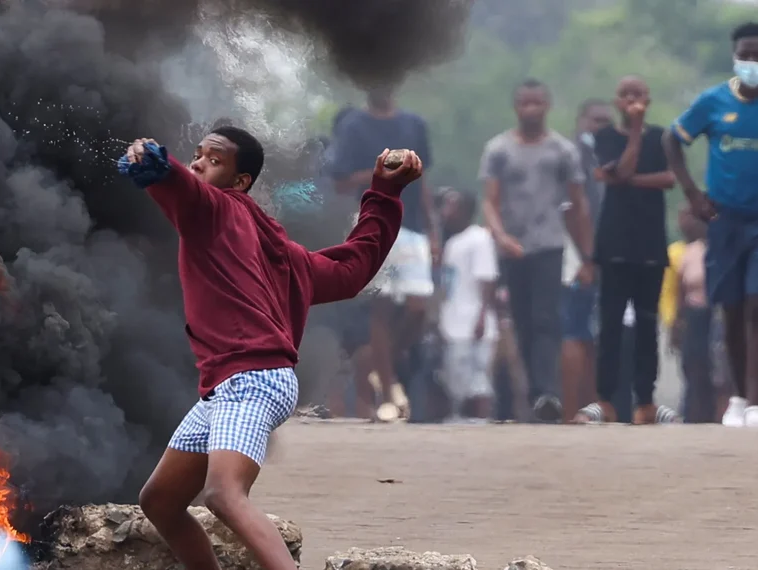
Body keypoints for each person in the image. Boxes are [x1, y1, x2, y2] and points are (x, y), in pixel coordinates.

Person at [121, 126, 420, 570]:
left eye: (214, 159)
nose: (200, 163)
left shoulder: (212, 208)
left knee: (224, 494)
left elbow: (184, 189)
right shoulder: (282, 252)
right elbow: (355, 266)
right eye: (197, 154)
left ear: (240, 182)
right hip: (229, 385)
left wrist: (159, 169)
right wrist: (385, 193)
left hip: (251, 380)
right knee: (160, 500)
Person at [662, 22, 758, 427]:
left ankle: (756, 402)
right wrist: (692, 194)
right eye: (745, 55)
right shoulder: (713, 102)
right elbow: (673, 139)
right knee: (731, 309)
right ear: (735, 57)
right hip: (724, 221)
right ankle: (735, 397)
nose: (752, 62)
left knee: (757, 304)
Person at [480, 78, 596, 422]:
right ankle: (535, 393)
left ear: (547, 106)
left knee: (547, 318)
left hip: (549, 243)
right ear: (516, 107)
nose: (531, 109)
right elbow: (490, 200)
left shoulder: (562, 151)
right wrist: (500, 236)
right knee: (523, 322)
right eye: (524, 103)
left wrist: (587, 256)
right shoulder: (498, 149)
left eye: (537, 103)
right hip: (513, 248)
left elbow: (578, 205)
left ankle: (548, 393)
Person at [328, 87, 438, 417]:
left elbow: (424, 181)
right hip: (372, 219)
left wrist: (434, 230)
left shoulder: (414, 124)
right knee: (382, 306)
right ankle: (389, 392)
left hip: (413, 225)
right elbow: (340, 182)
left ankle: (383, 361)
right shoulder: (353, 126)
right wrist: (381, 171)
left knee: (418, 307)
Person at [575, 75, 676, 424]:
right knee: (611, 324)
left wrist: (625, 180)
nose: (632, 100)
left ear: (648, 100)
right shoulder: (603, 138)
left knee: (648, 326)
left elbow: (669, 178)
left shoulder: (662, 137)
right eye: (626, 95)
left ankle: (645, 401)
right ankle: (606, 400)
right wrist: (634, 133)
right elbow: (622, 166)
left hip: (649, 243)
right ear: (617, 102)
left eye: (639, 95)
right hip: (614, 242)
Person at [561, 98, 613, 420]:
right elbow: (570, 212)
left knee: (596, 336)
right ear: (581, 120)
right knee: (575, 332)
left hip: (602, 257)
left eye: (607, 121)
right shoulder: (572, 156)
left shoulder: (605, 159)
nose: (600, 127)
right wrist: (585, 258)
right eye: (596, 120)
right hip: (577, 258)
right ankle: (570, 411)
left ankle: (594, 407)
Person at [438, 189, 499, 421]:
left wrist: (483, 316)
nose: (445, 212)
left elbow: (487, 279)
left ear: (465, 210)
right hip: (454, 322)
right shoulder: (452, 242)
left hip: (474, 322)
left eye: (451, 206)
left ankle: (482, 420)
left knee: (478, 379)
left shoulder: (479, 238)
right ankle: (459, 420)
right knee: (456, 378)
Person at [670, 206, 715, 422]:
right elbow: (681, 290)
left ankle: (715, 415)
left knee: (716, 371)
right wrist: (677, 324)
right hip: (694, 316)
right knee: (693, 367)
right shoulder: (691, 252)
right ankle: (692, 416)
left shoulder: (722, 249)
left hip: (717, 317)